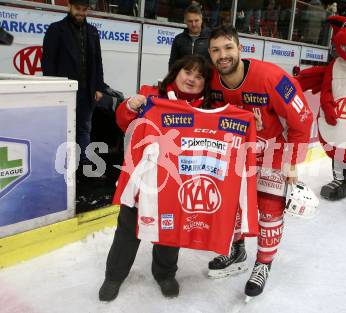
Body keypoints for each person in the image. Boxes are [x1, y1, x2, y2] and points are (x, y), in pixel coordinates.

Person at [206, 25, 313, 298]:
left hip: (272, 153)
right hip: (234, 154)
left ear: (240, 49)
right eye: (216, 50)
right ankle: (237, 250)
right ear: (210, 54)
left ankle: (263, 263)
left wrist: (292, 160)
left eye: (228, 48)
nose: (223, 55)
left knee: (268, 212)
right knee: (231, 208)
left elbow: (302, 118)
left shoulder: (271, 77)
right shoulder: (212, 80)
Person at [99, 55, 212, 302]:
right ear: (176, 72)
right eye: (188, 72)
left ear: (205, 83)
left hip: (176, 183)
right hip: (143, 179)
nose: (192, 79)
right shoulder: (151, 95)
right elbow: (122, 122)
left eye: (199, 76)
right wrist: (130, 105)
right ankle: (114, 276)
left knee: (170, 232)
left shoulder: (207, 109)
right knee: (128, 230)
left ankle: (165, 274)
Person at [42, 0, 105, 170]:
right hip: (64, 90)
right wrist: (54, 89)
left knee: (84, 127)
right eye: (78, 9)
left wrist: (99, 87)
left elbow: (97, 62)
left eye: (85, 10)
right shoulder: (56, 30)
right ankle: (62, 162)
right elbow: (48, 63)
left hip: (87, 90)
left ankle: (84, 161)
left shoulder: (92, 32)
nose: (81, 13)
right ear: (69, 6)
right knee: (63, 127)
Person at [168, 4, 211, 70]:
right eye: (190, 21)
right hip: (185, 79)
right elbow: (172, 64)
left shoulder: (211, 37)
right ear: (185, 21)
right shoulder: (178, 39)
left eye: (196, 20)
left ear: (201, 19)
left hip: (206, 78)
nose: (193, 24)